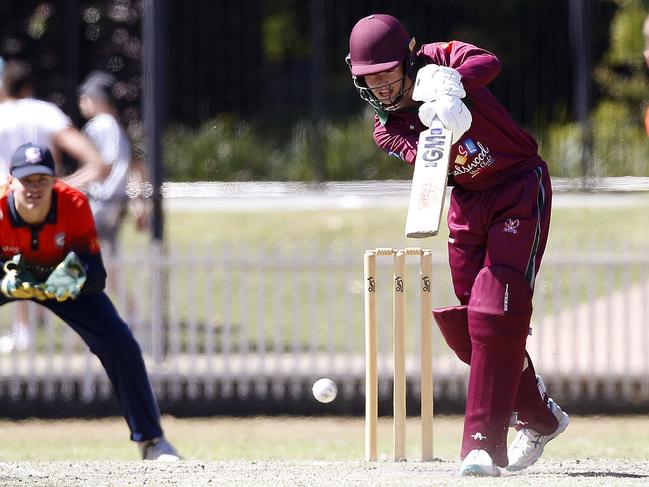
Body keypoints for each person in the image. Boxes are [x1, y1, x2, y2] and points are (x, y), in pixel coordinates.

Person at [347, 14, 569, 476]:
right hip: (467, 205)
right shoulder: (386, 128)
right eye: (370, 78)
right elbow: (434, 168)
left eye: (388, 72)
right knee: (474, 328)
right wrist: (435, 130)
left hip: (517, 186)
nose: (382, 86)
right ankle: (539, 416)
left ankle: (482, 445)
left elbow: (487, 60)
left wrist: (451, 85)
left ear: (409, 58)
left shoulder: (439, 56)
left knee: (495, 309)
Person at [0, 142, 180, 461]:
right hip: (10, 274)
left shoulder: (73, 203)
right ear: (11, 181)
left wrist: (69, 277)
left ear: (55, 182)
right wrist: (6, 277)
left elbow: (96, 274)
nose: (34, 188)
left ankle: (152, 441)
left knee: (120, 342)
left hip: (60, 282)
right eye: (26, 180)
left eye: (42, 180)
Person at [0, 59, 107, 353]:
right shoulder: (45, 112)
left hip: (8, 206)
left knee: (15, 263)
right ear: (30, 87)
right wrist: (59, 188)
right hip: (47, 209)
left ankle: (24, 332)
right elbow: (96, 163)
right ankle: (72, 331)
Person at [77, 71, 146, 310]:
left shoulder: (99, 126)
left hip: (99, 205)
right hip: (115, 206)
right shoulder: (119, 128)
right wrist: (139, 206)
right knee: (108, 265)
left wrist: (65, 184)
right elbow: (137, 168)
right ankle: (130, 310)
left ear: (96, 98)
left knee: (75, 259)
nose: (81, 103)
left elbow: (102, 168)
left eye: (84, 98)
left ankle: (86, 313)